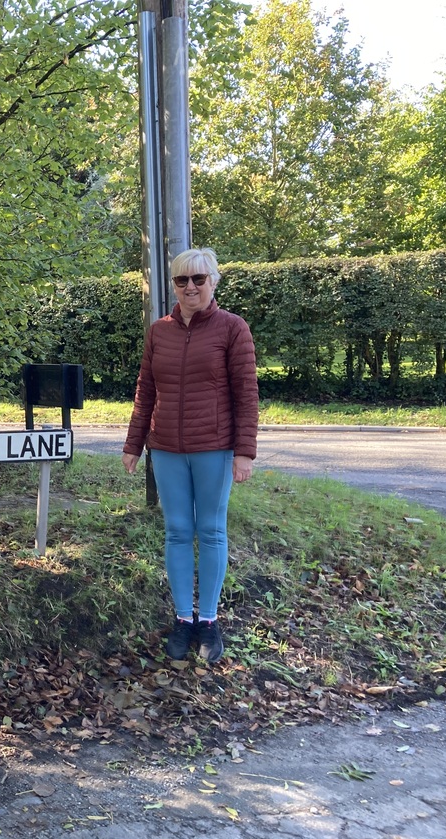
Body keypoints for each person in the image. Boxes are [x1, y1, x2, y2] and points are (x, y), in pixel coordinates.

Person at [121, 247, 259, 664]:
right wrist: (134, 442)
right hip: (166, 448)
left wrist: (245, 452)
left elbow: (246, 395)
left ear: (214, 281)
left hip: (215, 448)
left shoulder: (233, 329)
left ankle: (210, 621)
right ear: (174, 285)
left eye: (199, 279)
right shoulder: (158, 331)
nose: (190, 287)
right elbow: (146, 390)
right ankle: (184, 619)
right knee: (178, 531)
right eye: (182, 280)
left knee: (211, 530)